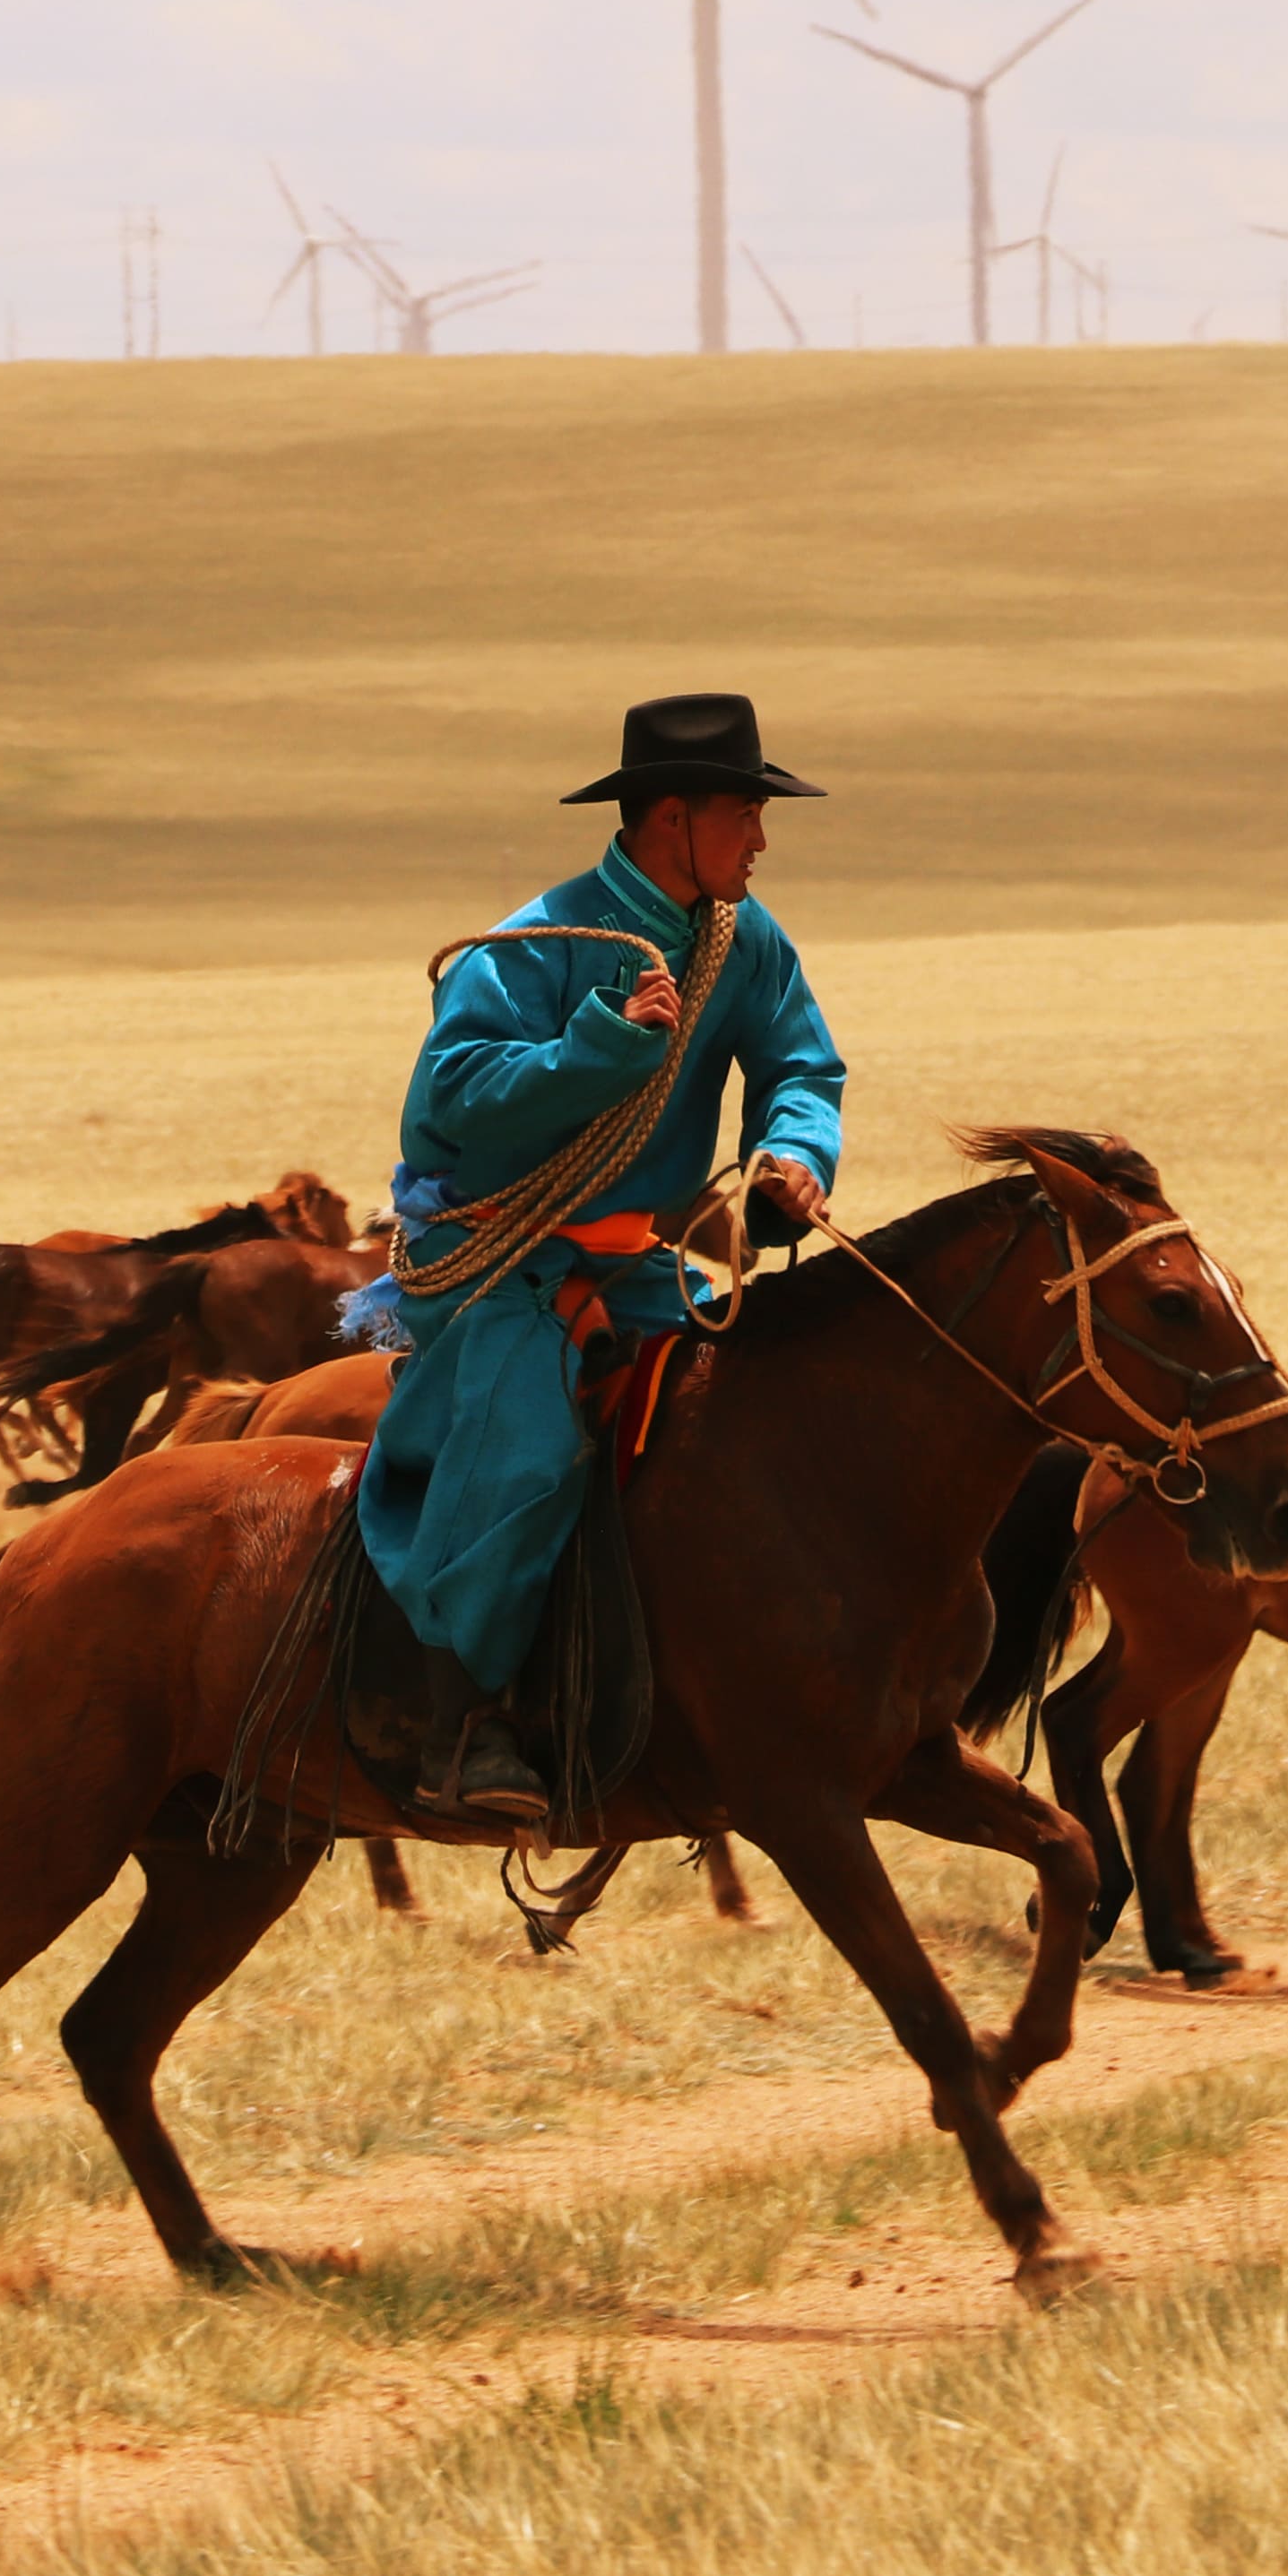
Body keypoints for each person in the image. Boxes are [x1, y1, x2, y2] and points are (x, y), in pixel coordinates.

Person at [346, 695, 848, 1824]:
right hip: (497, 1254)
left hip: (643, 1264)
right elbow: (448, 1106)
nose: (762, 841)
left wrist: (791, 1157)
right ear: (671, 817)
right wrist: (601, 1048)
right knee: (520, 1452)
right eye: (746, 815)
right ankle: (463, 1721)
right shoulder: (541, 942)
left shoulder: (744, 941)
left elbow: (803, 1069)